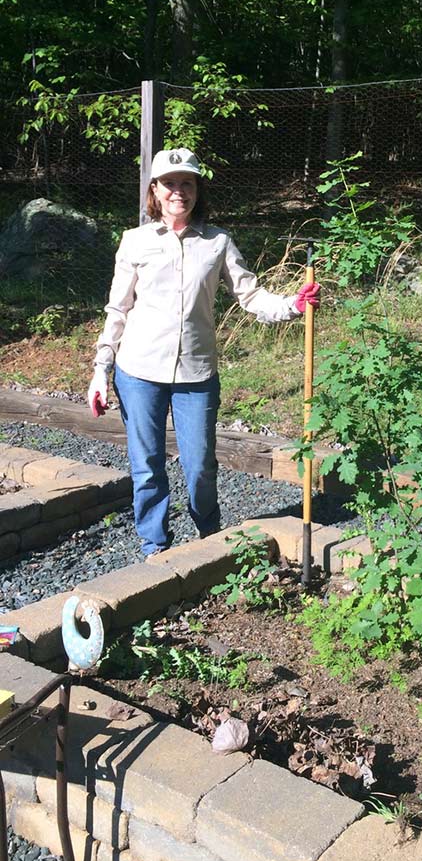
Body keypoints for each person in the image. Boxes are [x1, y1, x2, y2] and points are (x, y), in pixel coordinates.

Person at [86, 147, 320, 555]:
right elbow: (118, 309)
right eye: (170, 183)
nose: (179, 192)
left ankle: (207, 538)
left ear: (197, 190)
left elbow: (249, 294)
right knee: (147, 468)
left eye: (188, 183)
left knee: (200, 468)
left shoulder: (217, 243)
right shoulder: (134, 242)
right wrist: (100, 370)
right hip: (138, 371)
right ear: (154, 191)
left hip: (196, 374)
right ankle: (153, 545)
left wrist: (292, 305)